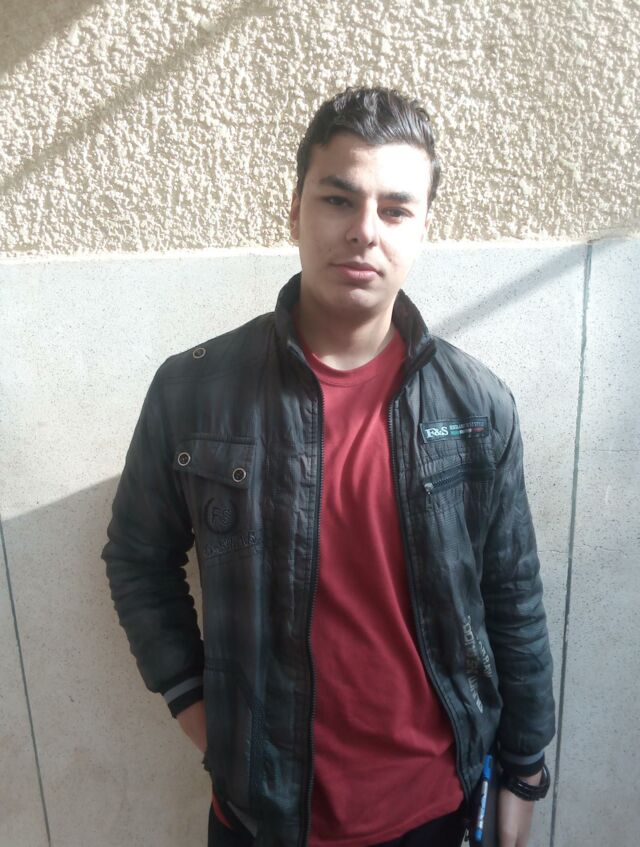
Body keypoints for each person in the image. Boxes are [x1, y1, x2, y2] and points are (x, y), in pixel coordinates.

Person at [103, 87, 555, 847]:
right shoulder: (193, 392)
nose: (364, 230)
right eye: (339, 199)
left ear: (424, 229)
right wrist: (201, 715)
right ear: (295, 212)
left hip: (434, 810)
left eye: (395, 210)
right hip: (259, 815)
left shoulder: (478, 406)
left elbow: (512, 595)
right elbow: (137, 559)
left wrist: (525, 767)